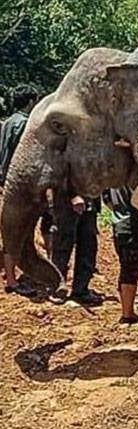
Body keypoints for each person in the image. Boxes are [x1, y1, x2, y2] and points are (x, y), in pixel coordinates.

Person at [1, 85, 39, 293]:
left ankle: (10, 272)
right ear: (31, 102)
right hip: (19, 184)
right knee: (17, 232)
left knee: (10, 230)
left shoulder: (7, 122)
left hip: (5, 179)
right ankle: (12, 281)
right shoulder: (24, 124)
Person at [103, 187, 138, 324]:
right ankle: (127, 314)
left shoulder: (114, 183)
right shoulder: (134, 182)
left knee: (126, 268)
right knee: (131, 270)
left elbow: (106, 199)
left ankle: (128, 310)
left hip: (119, 226)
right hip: (133, 227)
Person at [49, 193, 102, 306]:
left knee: (88, 245)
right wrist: (73, 196)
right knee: (62, 246)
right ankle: (57, 288)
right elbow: (60, 176)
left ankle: (81, 290)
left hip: (89, 201)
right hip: (66, 203)